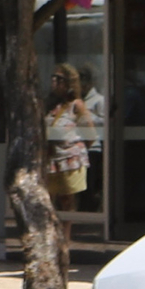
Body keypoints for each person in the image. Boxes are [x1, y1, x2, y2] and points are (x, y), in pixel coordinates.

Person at [43, 63, 95, 215]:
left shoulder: (76, 105)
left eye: (58, 78)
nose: (54, 82)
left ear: (68, 83)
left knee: (67, 200)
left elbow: (90, 134)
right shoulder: (49, 104)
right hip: (51, 158)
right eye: (52, 78)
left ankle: (66, 235)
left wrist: (75, 149)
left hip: (69, 159)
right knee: (49, 198)